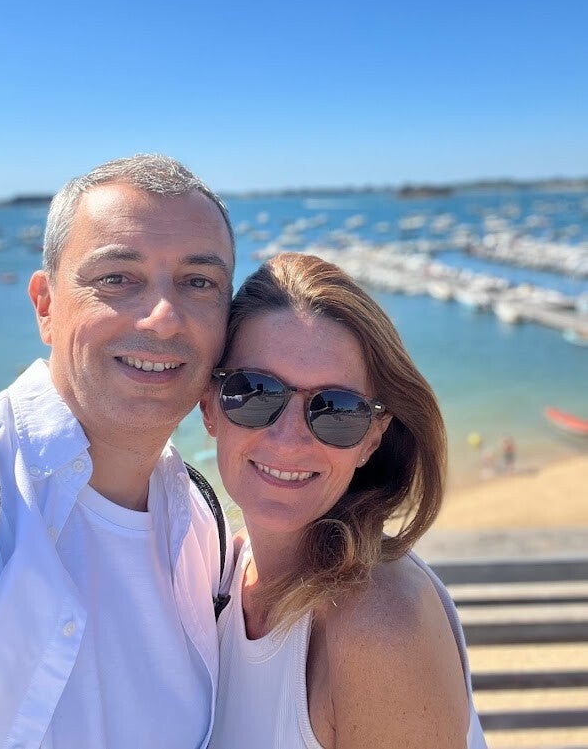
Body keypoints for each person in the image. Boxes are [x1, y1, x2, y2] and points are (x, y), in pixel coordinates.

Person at [0, 154, 235, 748]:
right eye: (117, 278)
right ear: (45, 306)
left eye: (199, 282)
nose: (163, 318)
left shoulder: (204, 529)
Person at [201, 252, 487, 749]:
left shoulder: (379, 624)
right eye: (255, 393)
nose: (289, 439)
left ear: (372, 438)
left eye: (336, 410)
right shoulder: (225, 571)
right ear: (209, 406)